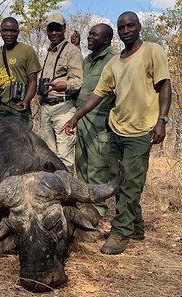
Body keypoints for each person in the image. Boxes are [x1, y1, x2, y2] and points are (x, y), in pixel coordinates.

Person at [60, 11, 171, 255]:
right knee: (121, 182)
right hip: (116, 128)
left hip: (141, 131)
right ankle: (136, 226)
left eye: (131, 25)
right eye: (122, 27)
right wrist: (76, 117)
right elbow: (98, 94)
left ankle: (120, 231)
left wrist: (162, 120)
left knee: (131, 182)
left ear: (139, 26)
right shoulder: (114, 62)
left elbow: (164, 85)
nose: (126, 30)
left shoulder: (153, 51)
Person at [73, 24, 116, 218]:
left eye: (94, 35)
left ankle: (97, 211)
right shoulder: (87, 60)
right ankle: (84, 207)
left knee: (97, 167)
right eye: (89, 34)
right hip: (80, 119)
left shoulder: (113, 60)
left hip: (100, 122)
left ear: (106, 40)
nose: (89, 37)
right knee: (81, 165)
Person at [39, 13, 83, 173]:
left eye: (57, 29)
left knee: (65, 157)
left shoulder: (72, 51)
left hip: (63, 108)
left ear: (64, 29)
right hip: (45, 109)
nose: (54, 33)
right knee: (48, 156)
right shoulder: (49, 52)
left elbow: (78, 81)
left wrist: (64, 85)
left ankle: (68, 196)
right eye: (51, 29)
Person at [0, 17, 41, 128]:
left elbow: (33, 81)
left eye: (13, 31)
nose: (9, 34)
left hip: (18, 109)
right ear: (0, 32)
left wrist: (26, 101)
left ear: (18, 32)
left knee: (19, 143)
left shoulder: (27, 51)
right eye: (5, 30)